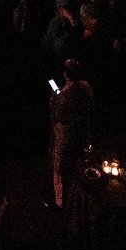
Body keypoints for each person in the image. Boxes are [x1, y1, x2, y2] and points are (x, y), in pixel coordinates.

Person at [49, 58, 94, 208]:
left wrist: (54, 98)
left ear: (65, 74)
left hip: (66, 135)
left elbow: (57, 115)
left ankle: (60, 202)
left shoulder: (63, 96)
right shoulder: (86, 87)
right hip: (82, 132)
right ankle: (80, 196)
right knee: (78, 164)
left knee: (60, 168)